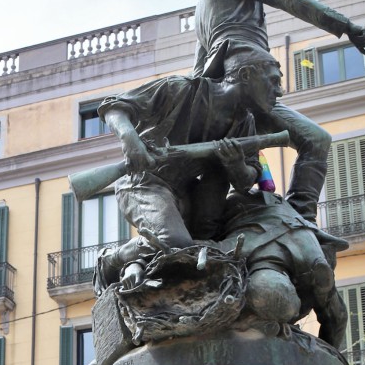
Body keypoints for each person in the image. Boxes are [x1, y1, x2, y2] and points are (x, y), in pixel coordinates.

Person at [194, 0, 365, 223]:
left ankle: (279, 220)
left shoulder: (204, 5)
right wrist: (345, 26)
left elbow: (199, 68)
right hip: (248, 79)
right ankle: (301, 217)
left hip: (224, 88)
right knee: (316, 140)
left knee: (245, 166)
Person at [97, 52, 284, 262]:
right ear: (246, 74)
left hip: (190, 194)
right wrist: (130, 140)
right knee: (177, 245)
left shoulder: (245, 122)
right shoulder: (181, 88)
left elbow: (245, 181)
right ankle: (113, 259)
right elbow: (113, 108)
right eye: (274, 81)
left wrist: (236, 165)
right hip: (145, 184)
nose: (280, 91)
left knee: (206, 246)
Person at [220, 187, 348, 350]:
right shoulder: (315, 268)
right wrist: (332, 356)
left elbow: (338, 318)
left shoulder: (315, 269)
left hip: (281, 226)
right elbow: (337, 318)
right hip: (288, 226)